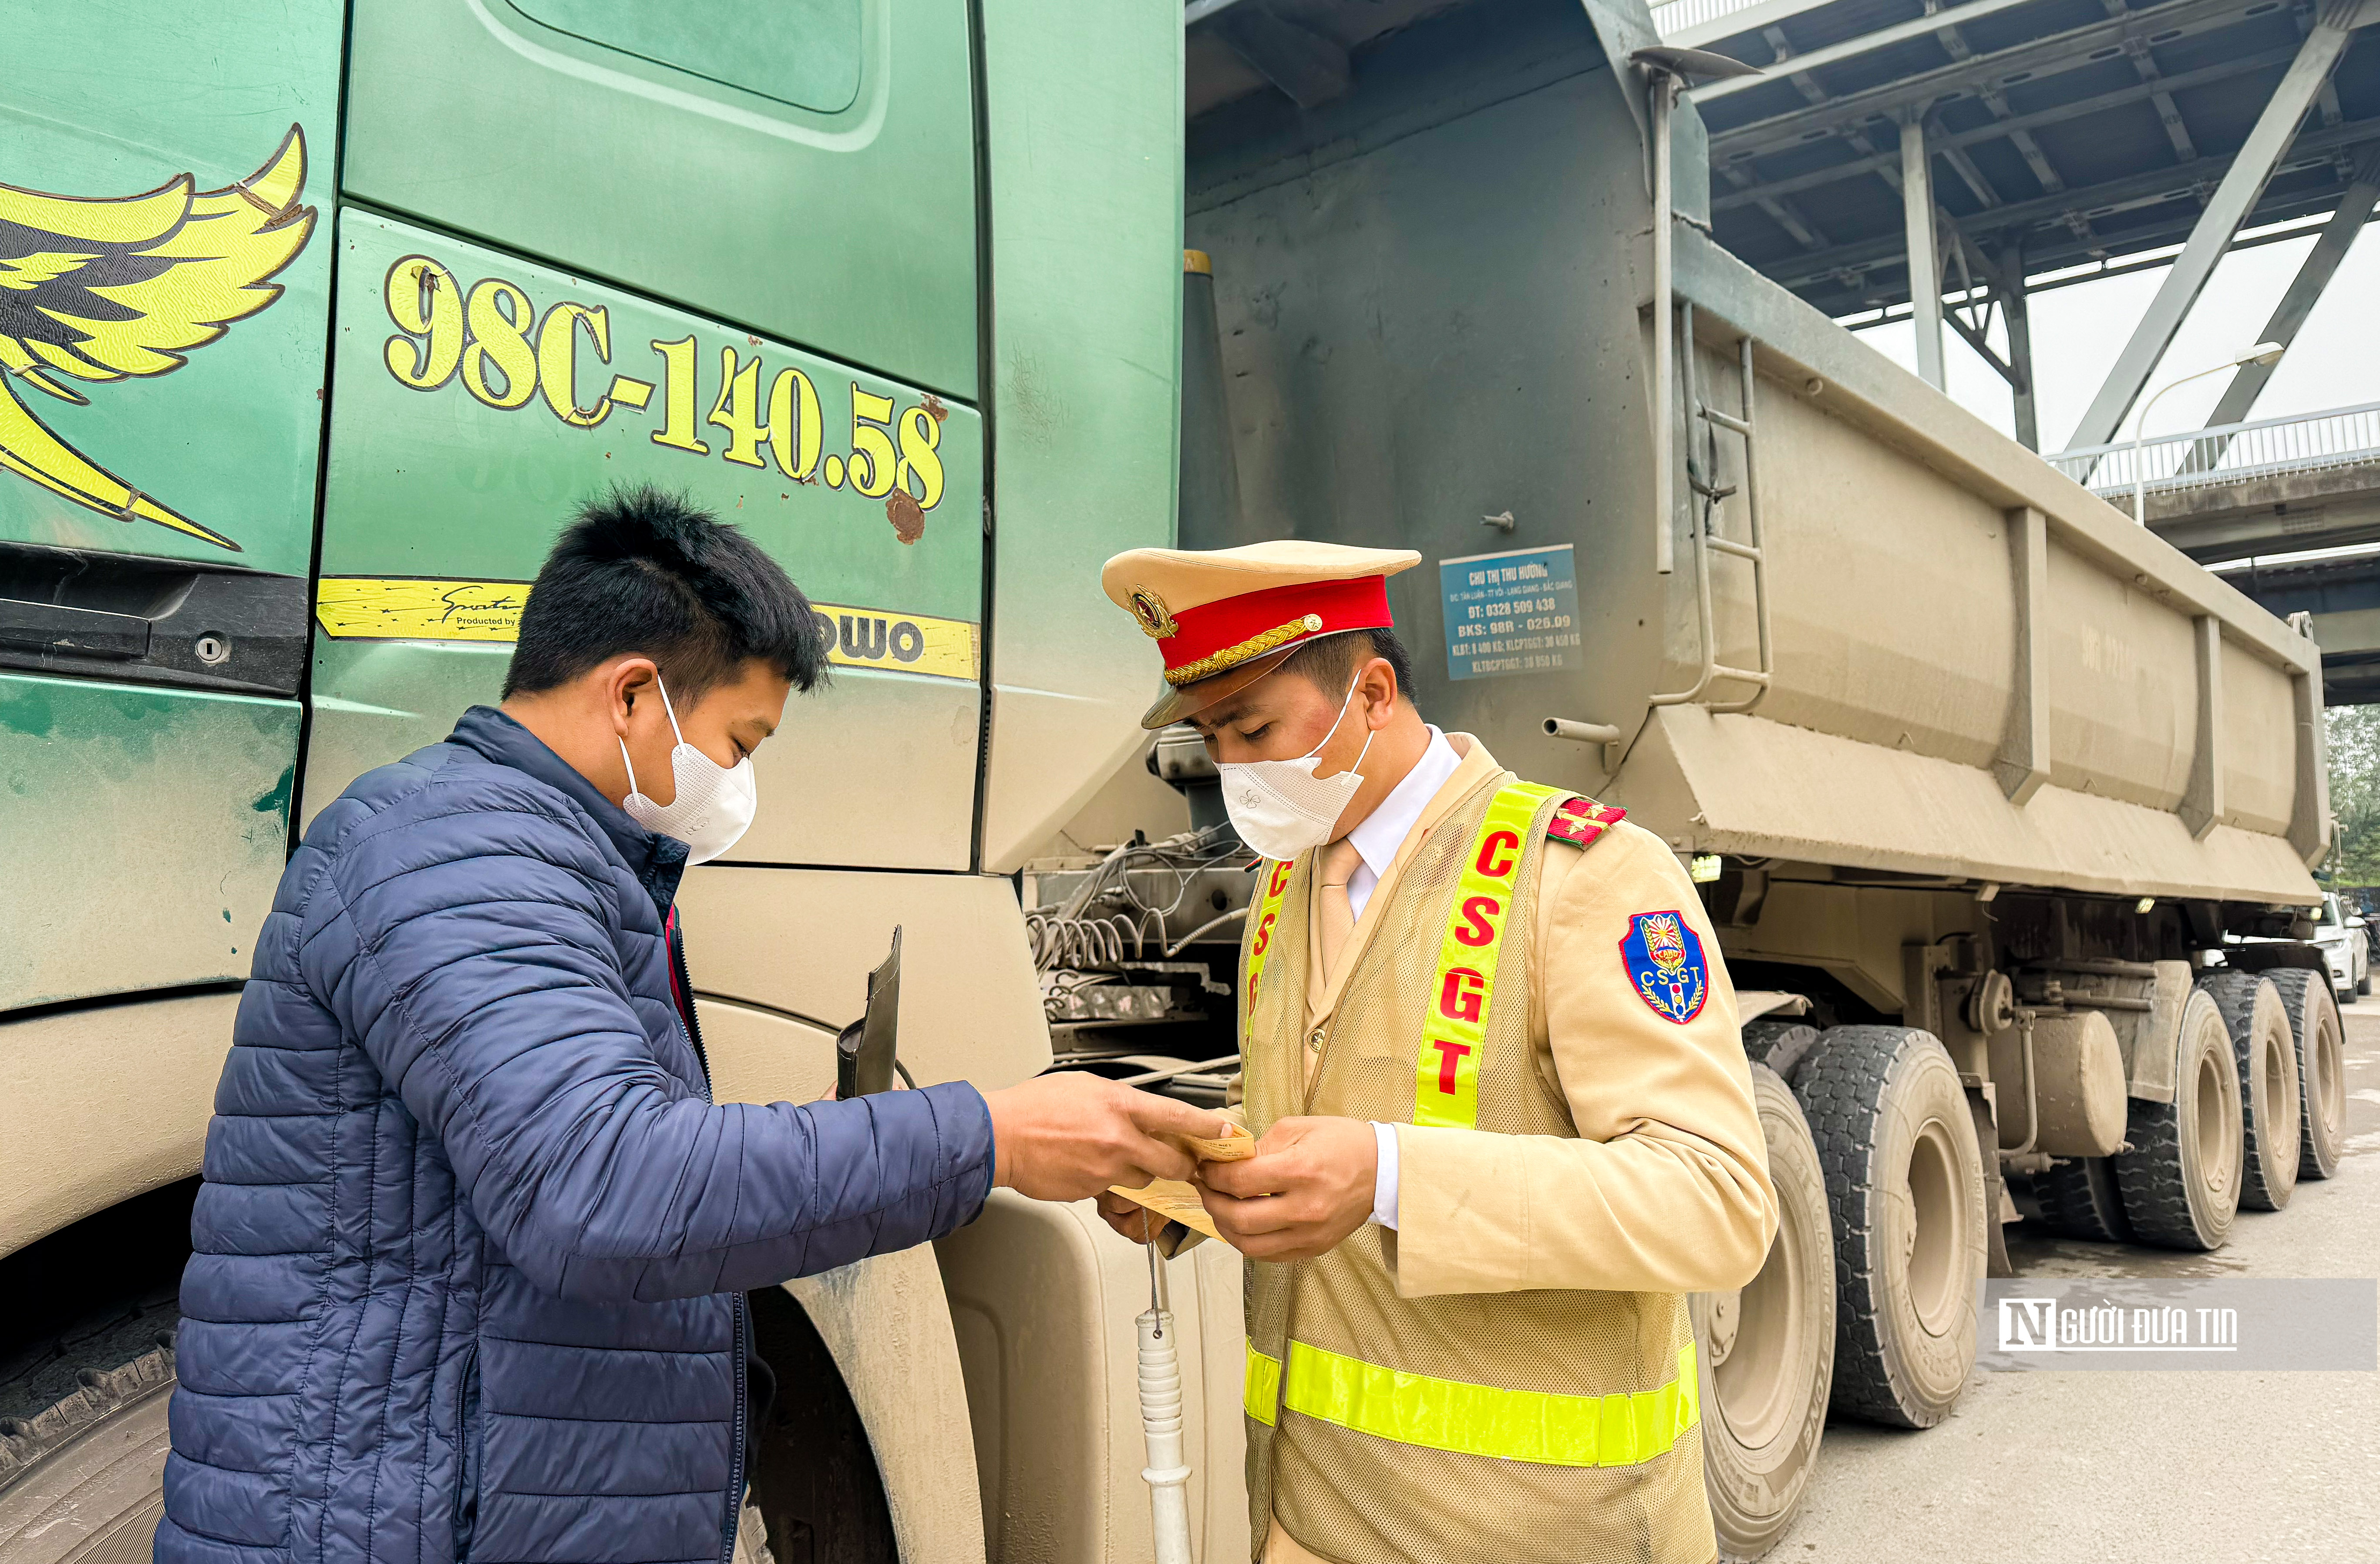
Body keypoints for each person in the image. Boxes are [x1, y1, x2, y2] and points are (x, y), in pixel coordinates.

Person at [158, 486, 1224, 1564]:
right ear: (632, 695)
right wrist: (993, 1133)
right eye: (739, 741)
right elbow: (607, 1186)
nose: (739, 781)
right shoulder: (455, 853)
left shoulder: (547, 855)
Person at [1094, 540, 1779, 1564]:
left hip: (1530, 1533)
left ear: (1370, 693)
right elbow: (1331, 1114)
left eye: (1252, 729)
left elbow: (1714, 1203)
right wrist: (1200, 1185)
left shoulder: (1585, 875)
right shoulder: (1287, 886)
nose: (1230, 770)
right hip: (1305, 1512)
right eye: (1208, 737)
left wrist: (1388, 1175)